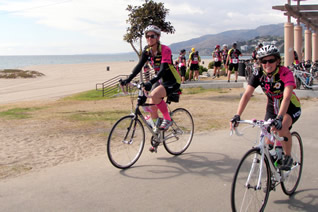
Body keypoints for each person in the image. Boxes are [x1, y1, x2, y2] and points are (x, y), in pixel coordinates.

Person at [230, 45, 301, 170]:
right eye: (263, 61)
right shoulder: (258, 74)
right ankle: (272, 170)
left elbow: (286, 98)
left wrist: (279, 118)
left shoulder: (285, 73)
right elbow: (247, 95)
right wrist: (237, 115)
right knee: (267, 141)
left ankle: (288, 156)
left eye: (271, 60)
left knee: (282, 127)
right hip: (272, 107)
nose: (267, 64)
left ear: (278, 61)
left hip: (290, 106)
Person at [120, 25, 181, 145]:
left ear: (158, 37)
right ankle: (157, 134)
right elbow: (138, 67)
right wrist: (128, 80)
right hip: (160, 80)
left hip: (172, 80)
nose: (149, 38)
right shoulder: (147, 51)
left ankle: (167, 119)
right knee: (150, 104)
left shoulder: (165, 50)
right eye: (147, 36)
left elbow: (163, 70)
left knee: (154, 95)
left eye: (152, 36)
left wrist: (150, 82)